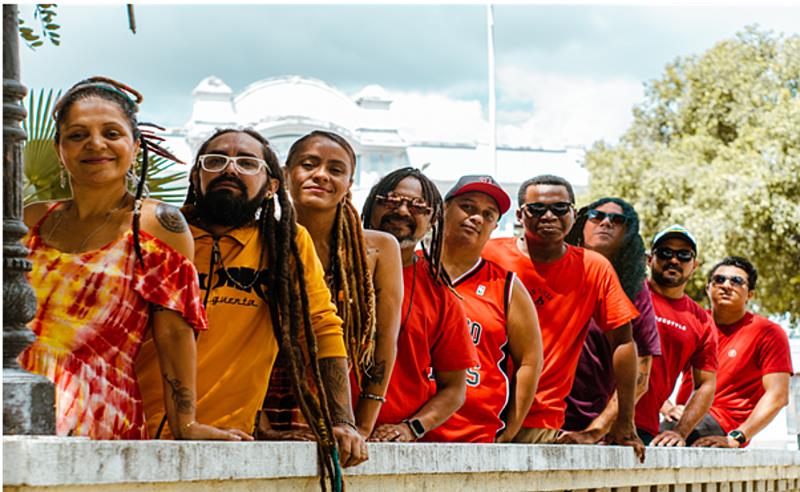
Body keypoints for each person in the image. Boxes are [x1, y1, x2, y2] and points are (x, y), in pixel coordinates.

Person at [19, 77, 248, 441]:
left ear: (135, 145)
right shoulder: (31, 219)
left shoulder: (158, 225)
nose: (96, 144)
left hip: (100, 416)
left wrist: (185, 424)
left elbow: (173, 332)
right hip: (16, 405)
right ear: (59, 149)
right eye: (77, 135)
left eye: (112, 133)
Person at [135, 128, 365, 484]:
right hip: (129, 432)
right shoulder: (156, 232)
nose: (229, 169)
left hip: (227, 445)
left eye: (246, 163)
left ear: (272, 186)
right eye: (215, 161)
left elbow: (322, 328)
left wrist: (343, 421)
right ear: (196, 176)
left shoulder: (287, 242)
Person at [482, 175, 643, 459]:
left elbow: (623, 342)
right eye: (537, 209)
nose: (549, 216)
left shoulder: (593, 268)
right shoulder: (488, 254)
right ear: (519, 215)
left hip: (540, 420)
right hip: (477, 410)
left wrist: (624, 421)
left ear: (573, 214)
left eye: (559, 208)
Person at [261, 130, 402, 439]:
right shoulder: (261, 240)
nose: (321, 175)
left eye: (336, 169)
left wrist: (361, 425)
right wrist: (261, 426)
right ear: (286, 174)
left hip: (338, 416)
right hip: (257, 411)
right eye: (309, 164)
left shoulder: (379, 249)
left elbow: (385, 343)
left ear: (349, 183)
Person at [361, 167, 477, 442]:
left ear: (433, 219)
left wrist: (411, 428)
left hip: (392, 445)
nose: (402, 211)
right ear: (370, 205)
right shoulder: (331, 261)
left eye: (417, 206)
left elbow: (454, 389)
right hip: (320, 432)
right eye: (391, 200)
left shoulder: (439, 291)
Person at [425, 175, 543, 443]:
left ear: (494, 226)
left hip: (475, 435)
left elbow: (530, 361)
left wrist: (511, 428)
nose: (477, 217)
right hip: (403, 430)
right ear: (443, 209)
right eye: (467, 207)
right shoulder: (408, 268)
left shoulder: (506, 286)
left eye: (488, 214)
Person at [559, 198, 661, 443]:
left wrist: (594, 431)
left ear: (627, 234)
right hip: (532, 417)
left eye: (617, 220)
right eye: (596, 216)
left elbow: (641, 374)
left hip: (587, 424)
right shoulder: (551, 267)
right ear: (581, 223)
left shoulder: (634, 289)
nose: (605, 222)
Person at [673, 256, 792, 448]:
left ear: (750, 294)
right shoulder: (694, 323)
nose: (726, 286)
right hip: (682, 418)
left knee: (663, 439)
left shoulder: (768, 333)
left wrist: (737, 436)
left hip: (722, 425)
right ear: (708, 288)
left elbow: (778, 395)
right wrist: (667, 407)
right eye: (719, 280)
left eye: (736, 281)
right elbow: (652, 367)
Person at [634, 225, 718, 447]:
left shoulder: (701, 321)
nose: (674, 260)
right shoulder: (626, 294)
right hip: (591, 420)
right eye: (665, 253)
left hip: (643, 430)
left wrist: (680, 431)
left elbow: (705, 385)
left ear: (694, 265)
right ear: (649, 259)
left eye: (684, 255)